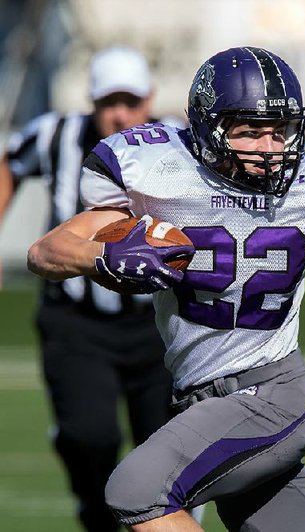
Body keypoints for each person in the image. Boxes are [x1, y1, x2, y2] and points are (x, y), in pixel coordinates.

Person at [27, 46, 305, 531]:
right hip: (201, 402)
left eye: (279, 130)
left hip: (270, 394)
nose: (269, 147)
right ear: (208, 129)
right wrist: (105, 255)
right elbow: (47, 252)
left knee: (136, 489)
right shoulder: (161, 174)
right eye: (249, 131)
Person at [0, 46, 176, 532]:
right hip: (75, 320)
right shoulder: (57, 135)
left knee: (167, 445)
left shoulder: (177, 144)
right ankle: (93, 510)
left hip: (161, 325)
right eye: (109, 102)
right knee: (89, 436)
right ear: (91, 102)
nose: (120, 114)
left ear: (150, 99)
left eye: (131, 101)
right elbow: (10, 163)